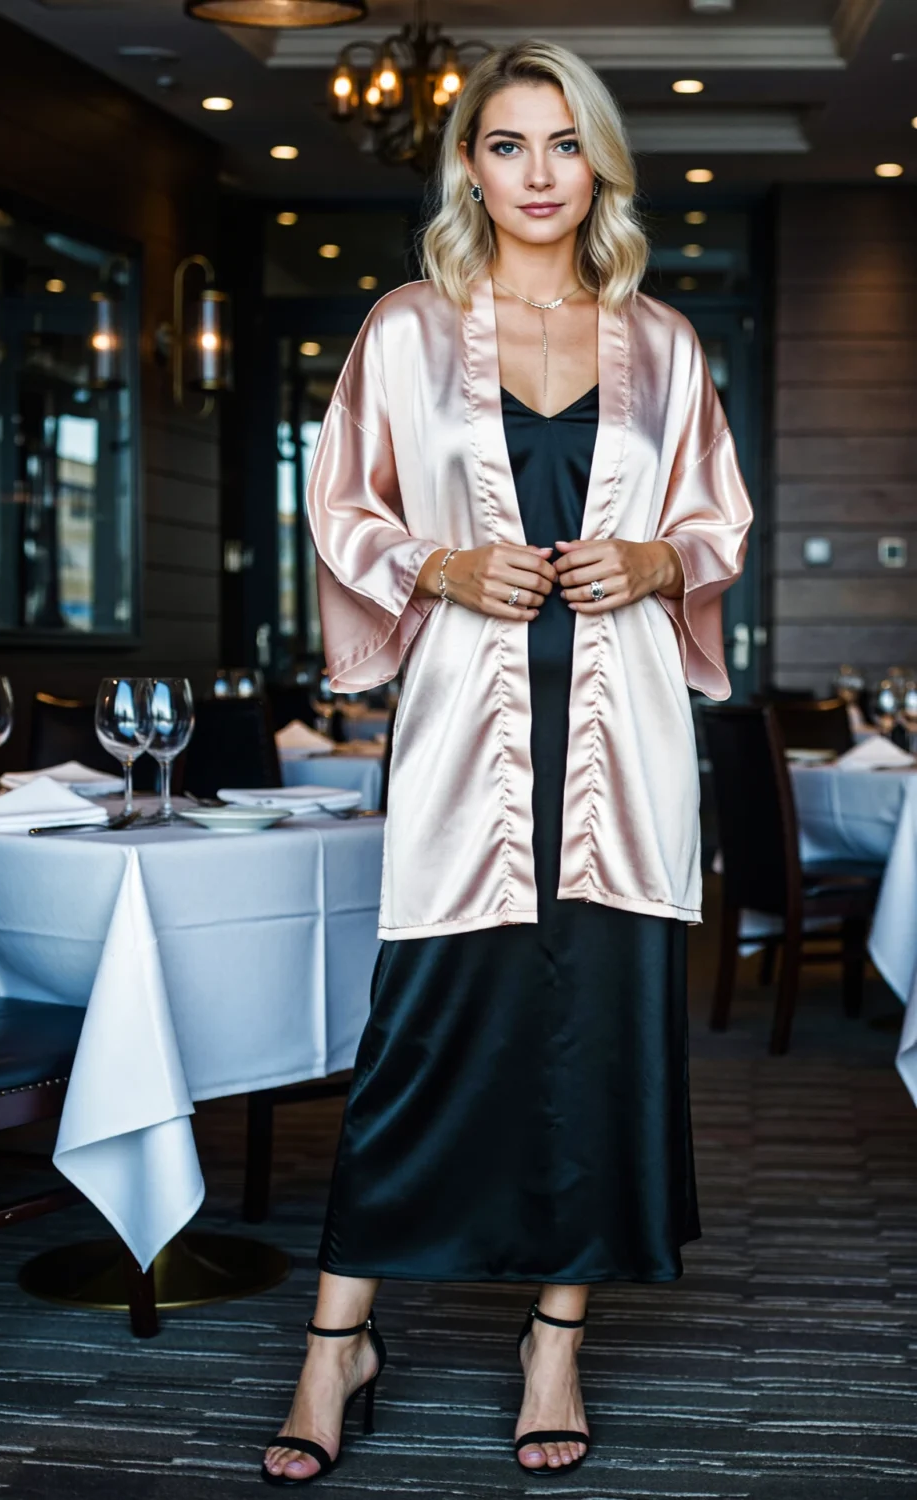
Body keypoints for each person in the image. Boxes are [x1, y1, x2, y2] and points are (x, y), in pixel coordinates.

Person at [261, 39, 753, 1488]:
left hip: (627, 729)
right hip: (472, 729)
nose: (536, 174)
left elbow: (717, 520)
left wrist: (660, 553)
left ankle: (557, 1337)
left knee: (600, 1036)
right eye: (505, 146)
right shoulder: (408, 329)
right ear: (467, 163)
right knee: (419, 1034)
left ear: (598, 160)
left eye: (562, 145)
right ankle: (333, 1340)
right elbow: (340, 498)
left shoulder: (662, 342)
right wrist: (439, 563)